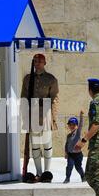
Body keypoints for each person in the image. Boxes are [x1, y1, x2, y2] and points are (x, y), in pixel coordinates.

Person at [20, 53, 59, 182]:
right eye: (35, 61)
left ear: (45, 63)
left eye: (40, 61)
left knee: (47, 143)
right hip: (32, 113)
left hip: (46, 113)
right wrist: (24, 116)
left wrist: (53, 117)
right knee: (35, 145)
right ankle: (39, 172)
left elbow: (54, 99)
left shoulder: (51, 79)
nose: (37, 64)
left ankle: (47, 172)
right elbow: (24, 97)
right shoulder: (27, 79)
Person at [64, 111, 86, 183]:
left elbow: (81, 125)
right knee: (69, 166)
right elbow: (66, 144)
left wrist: (81, 116)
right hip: (71, 154)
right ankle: (67, 178)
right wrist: (66, 153)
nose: (72, 126)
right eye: (70, 125)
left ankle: (83, 176)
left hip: (78, 155)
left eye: (73, 125)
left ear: (76, 126)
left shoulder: (77, 133)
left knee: (78, 167)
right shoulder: (68, 136)